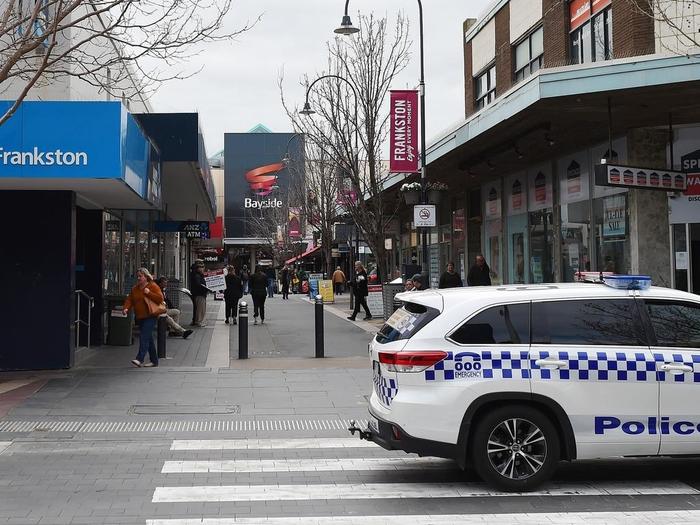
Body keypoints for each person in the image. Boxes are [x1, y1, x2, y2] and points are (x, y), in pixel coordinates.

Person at [124, 268, 165, 367]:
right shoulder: (135, 288)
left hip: (150, 315)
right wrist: (126, 308)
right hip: (140, 316)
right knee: (148, 338)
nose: (138, 278)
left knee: (143, 336)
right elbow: (130, 299)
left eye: (140, 276)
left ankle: (140, 359)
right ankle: (154, 361)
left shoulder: (152, 286)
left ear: (146, 277)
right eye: (137, 276)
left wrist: (148, 293)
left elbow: (160, 299)